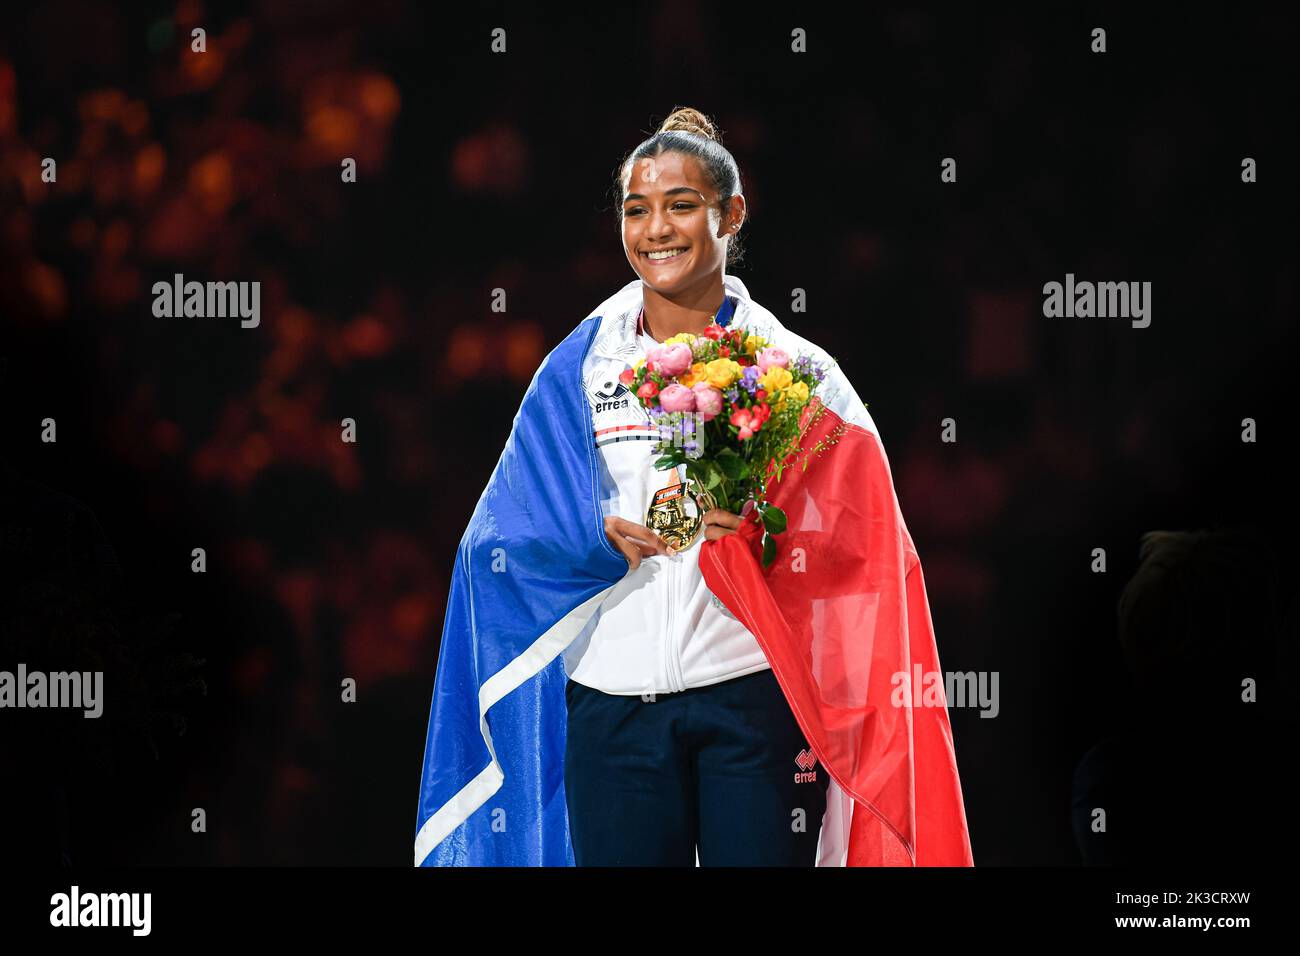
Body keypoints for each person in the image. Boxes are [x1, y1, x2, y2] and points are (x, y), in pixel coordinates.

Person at [415, 107, 973, 868]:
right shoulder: (581, 367)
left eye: (681, 205)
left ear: (730, 213)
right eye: (636, 210)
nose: (657, 229)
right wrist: (587, 542)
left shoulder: (797, 369)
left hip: (749, 696)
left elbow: (871, 549)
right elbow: (494, 542)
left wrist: (767, 536)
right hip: (611, 708)